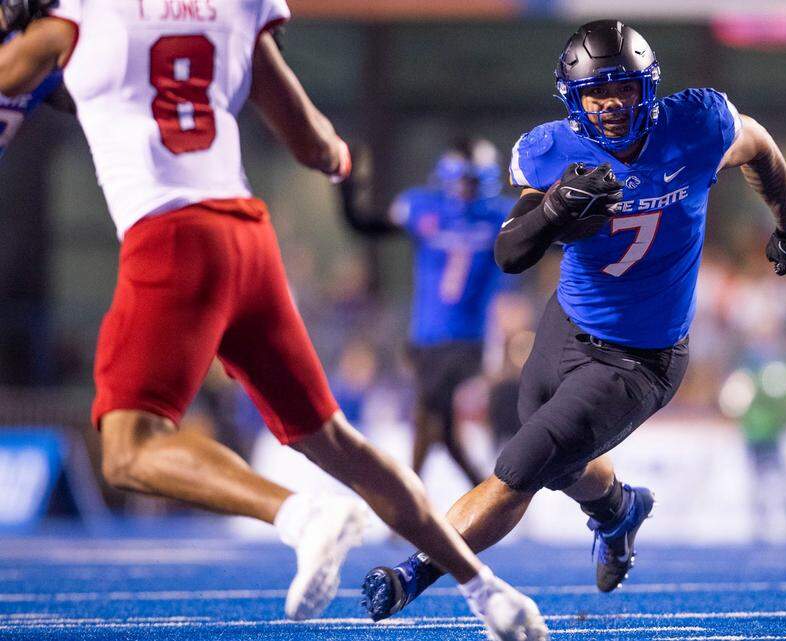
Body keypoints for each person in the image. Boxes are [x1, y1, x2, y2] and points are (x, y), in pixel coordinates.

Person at [0, 2, 547, 638]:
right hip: (248, 240)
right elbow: (314, 143)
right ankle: (491, 595)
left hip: (171, 235)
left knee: (127, 451)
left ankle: (298, 515)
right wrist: (344, 161)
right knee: (336, 440)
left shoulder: (66, 25)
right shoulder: (225, 10)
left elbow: (34, 73)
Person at [362, 19, 786, 620]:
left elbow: (759, 145)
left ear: (646, 88)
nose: (611, 104)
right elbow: (510, 252)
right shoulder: (553, 150)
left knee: (522, 464)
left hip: (642, 356)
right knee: (557, 460)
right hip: (566, 324)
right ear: (574, 98)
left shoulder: (696, 126)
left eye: (624, 88)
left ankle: (413, 573)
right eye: (597, 92)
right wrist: (552, 209)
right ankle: (618, 509)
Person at [341, 138, 513, 486]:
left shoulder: (499, 215)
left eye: (473, 181)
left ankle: (407, 503)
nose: (466, 189)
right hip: (426, 337)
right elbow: (362, 225)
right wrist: (346, 185)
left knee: (426, 413)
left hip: (468, 338)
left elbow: (550, 240)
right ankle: (490, 494)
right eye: (462, 179)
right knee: (446, 435)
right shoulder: (425, 208)